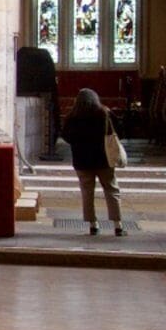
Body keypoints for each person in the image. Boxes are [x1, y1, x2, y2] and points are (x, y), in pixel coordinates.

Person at [63, 88, 126, 236]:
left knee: (87, 192)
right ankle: (118, 225)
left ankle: (93, 225)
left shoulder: (72, 117)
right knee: (111, 190)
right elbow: (120, 132)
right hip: (104, 159)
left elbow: (66, 136)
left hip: (82, 161)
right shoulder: (105, 113)